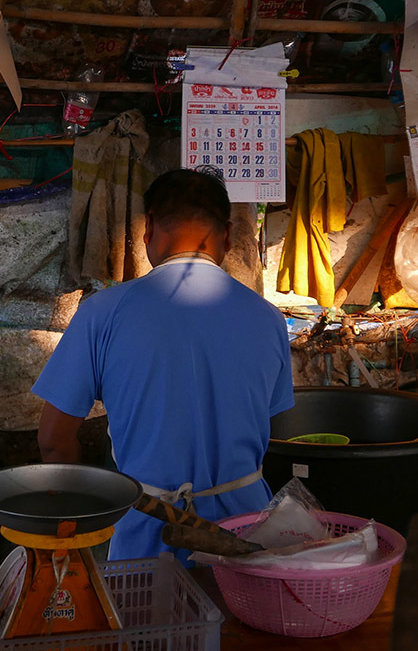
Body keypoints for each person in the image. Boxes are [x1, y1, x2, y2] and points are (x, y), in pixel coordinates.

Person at [33, 167, 294, 561]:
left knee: (148, 620)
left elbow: (53, 441)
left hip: (147, 528)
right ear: (226, 234)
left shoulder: (103, 312)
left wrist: (81, 527)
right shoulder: (269, 318)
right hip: (245, 535)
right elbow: (273, 431)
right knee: (240, 620)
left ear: (149, 227)